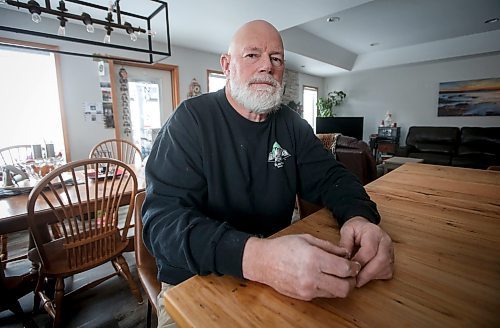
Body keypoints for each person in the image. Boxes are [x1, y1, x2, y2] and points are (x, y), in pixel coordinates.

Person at [142, 20, 394, 326]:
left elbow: (332, 177)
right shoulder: (190, 121)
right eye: (252, 56)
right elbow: (161, 225)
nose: (267, 67)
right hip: (193, 280)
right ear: (227, 65)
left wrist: (360, 218)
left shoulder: (292, 124)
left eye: (276, 58)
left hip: (279, 272)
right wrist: (259, 259)